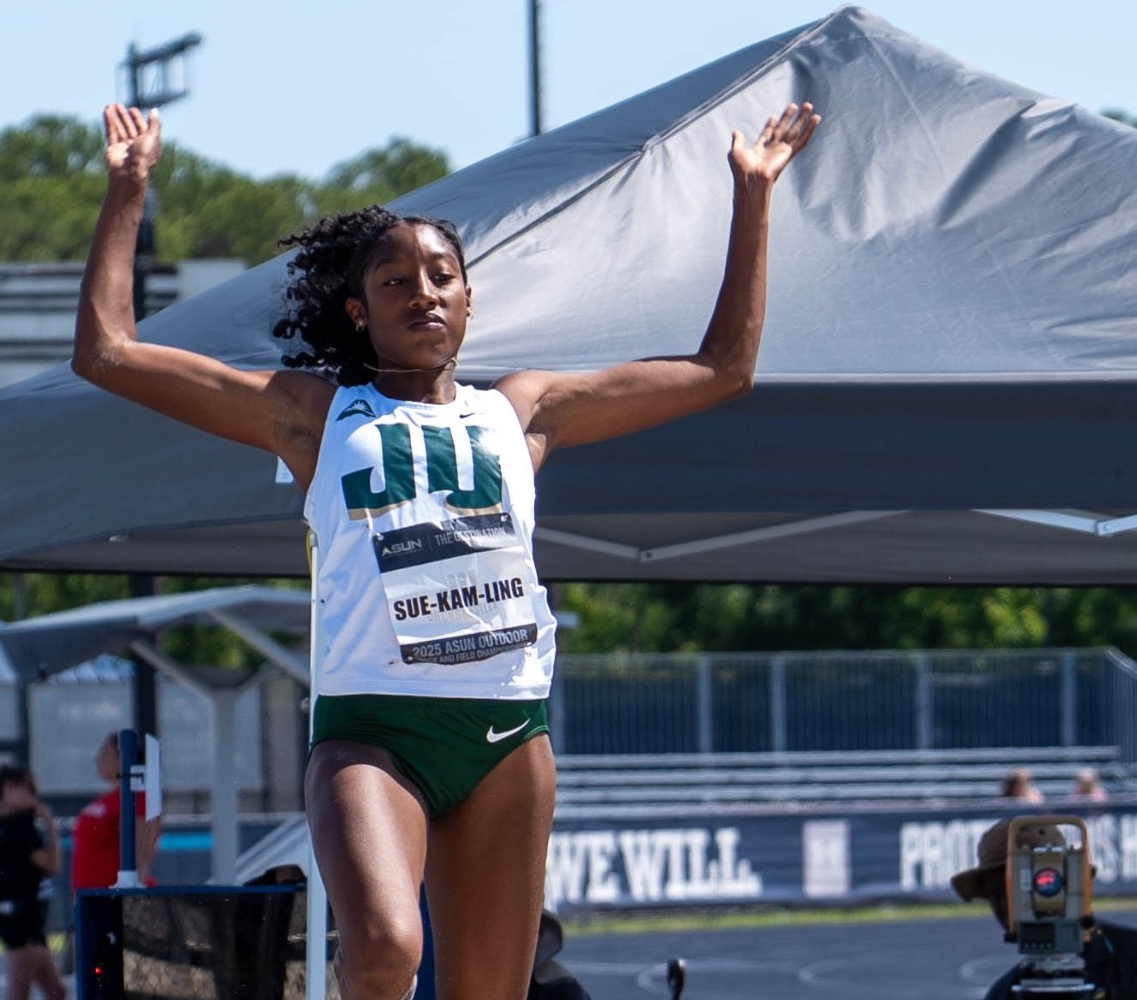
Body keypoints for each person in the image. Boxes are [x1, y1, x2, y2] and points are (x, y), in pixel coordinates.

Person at [72, 97, 818, 1000]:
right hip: (372, 731)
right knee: (385, 949)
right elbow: (108, 353)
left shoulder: (522, 409)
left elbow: (723, 369)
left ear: (467, 297)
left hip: (505, 729)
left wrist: (753, 196)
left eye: (440, 275)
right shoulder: (312, 412)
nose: (422, 291)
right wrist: (128, 192)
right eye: (396, 281)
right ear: (360, 309)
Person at [951, 818, 1137, 1000]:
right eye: (994, 894)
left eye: (1018, 887)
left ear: (1069, 882)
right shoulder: (1005, 994)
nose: (1004, 905)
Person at [0, 764, 65, 1000]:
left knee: (56, 991)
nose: (29, 795)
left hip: (30, 918)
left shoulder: (2, 823)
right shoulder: (16, 828)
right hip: (20, 920)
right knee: (19, 992)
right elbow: (52, 865)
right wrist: (49, 824)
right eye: (21, 788)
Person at [69, 733, 164, 892]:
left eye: (105, 754)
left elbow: (142, 852)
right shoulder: (105, 799)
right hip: (89, 896)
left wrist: (132, 896)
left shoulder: (136, 797)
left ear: (123, 758)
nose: (98, 759)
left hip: (114, 895)